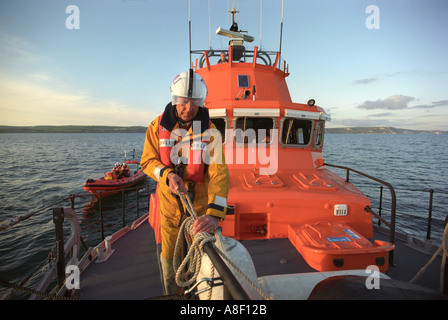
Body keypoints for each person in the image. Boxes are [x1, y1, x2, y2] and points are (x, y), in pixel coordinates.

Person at [140, 69, 229, 295]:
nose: (188, 108)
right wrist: (167, 174)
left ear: (201, 102)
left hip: (199, 214)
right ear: (174, 99)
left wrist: (214, 214)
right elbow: (148, 161)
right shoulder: (156, 126)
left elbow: (219, 174)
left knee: (202, 267)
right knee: (170, 266)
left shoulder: (211, 132)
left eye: (195, 102)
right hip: (169, 212)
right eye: (183, 101)